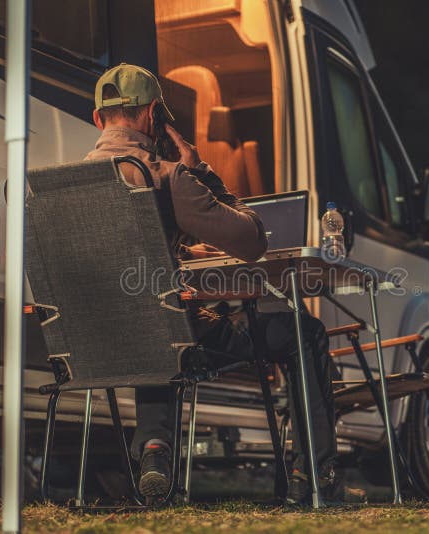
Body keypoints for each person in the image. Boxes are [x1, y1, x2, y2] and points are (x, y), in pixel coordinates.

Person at [85, 64, 344, 503]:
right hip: (167, 335)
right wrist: (199, 169)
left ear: (97, 119)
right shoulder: (166, 175)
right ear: (153, 116)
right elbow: (252, 241)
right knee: (304, 331)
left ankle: (155, 449)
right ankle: (313, 477)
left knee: (152, 319)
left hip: (88, 340)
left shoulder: (62, 182)